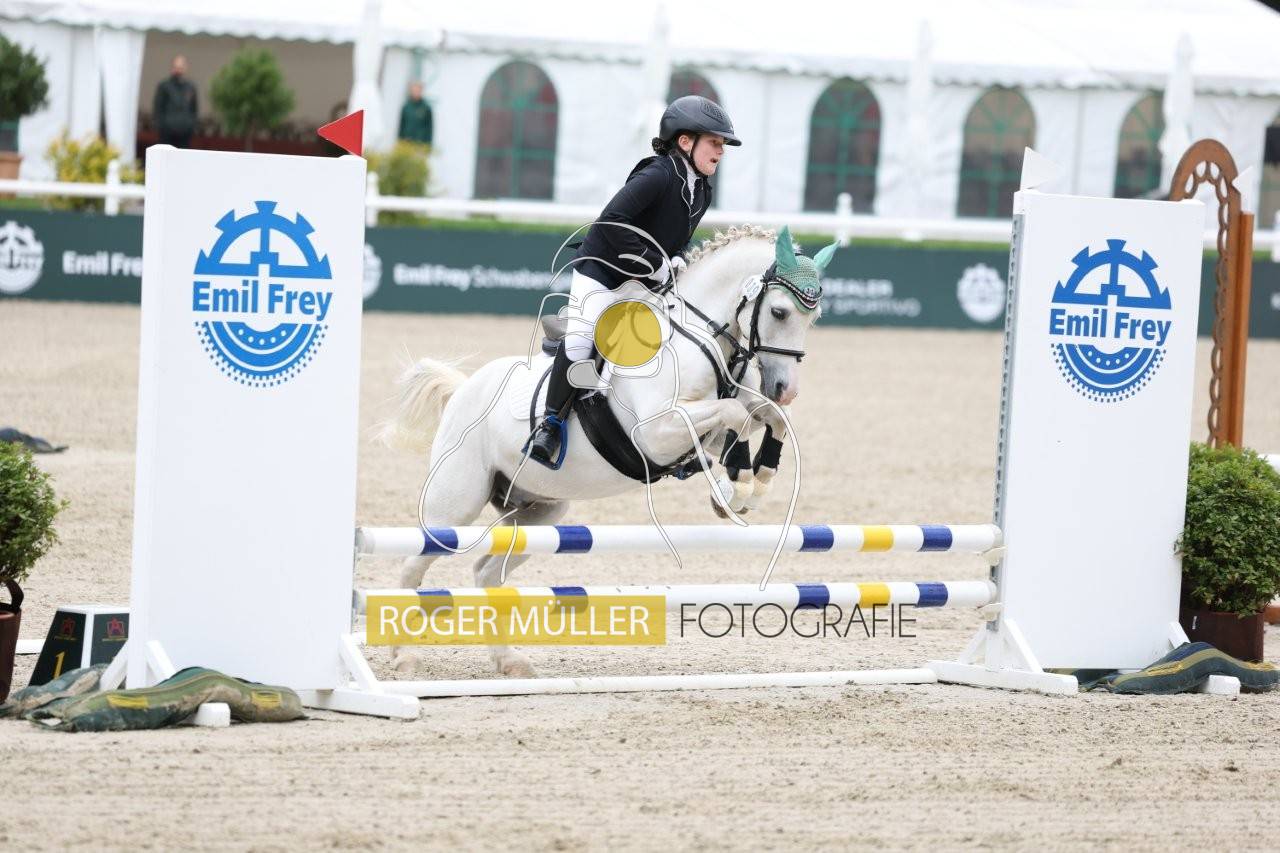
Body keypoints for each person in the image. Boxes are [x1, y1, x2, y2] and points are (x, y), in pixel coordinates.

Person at [526, 94, 740, 468]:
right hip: (603, 271)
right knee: (582, 339)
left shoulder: (702, 189)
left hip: (643, 280)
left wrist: (676, 257)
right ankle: (550, 424)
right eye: (714, 142)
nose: (721, 151)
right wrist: (655, 262)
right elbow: (610, 222)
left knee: (670, 339)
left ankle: (669, 436)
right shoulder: (657, 174)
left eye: (723, 144)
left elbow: (675, 235)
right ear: (685, 142)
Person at [152, 56, 198, 149]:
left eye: (181, 67)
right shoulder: (164, 86)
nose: (178, 70)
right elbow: (158, 108)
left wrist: (190, 125)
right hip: (167, 134)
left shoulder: (190, 87)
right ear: (172, 68)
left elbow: (194, 109)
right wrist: (162, 126)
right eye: (176, 67)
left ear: (185, 68)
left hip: (185, 134)